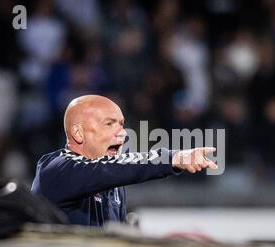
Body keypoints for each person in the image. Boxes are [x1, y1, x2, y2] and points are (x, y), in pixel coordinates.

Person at [31, 95, 217, 226]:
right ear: (78, 133)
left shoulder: (114, 186)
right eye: (109, 124)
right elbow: (109, 169)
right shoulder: (56, 170)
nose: (122, 133)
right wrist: (173, 157)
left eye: (121, 124)